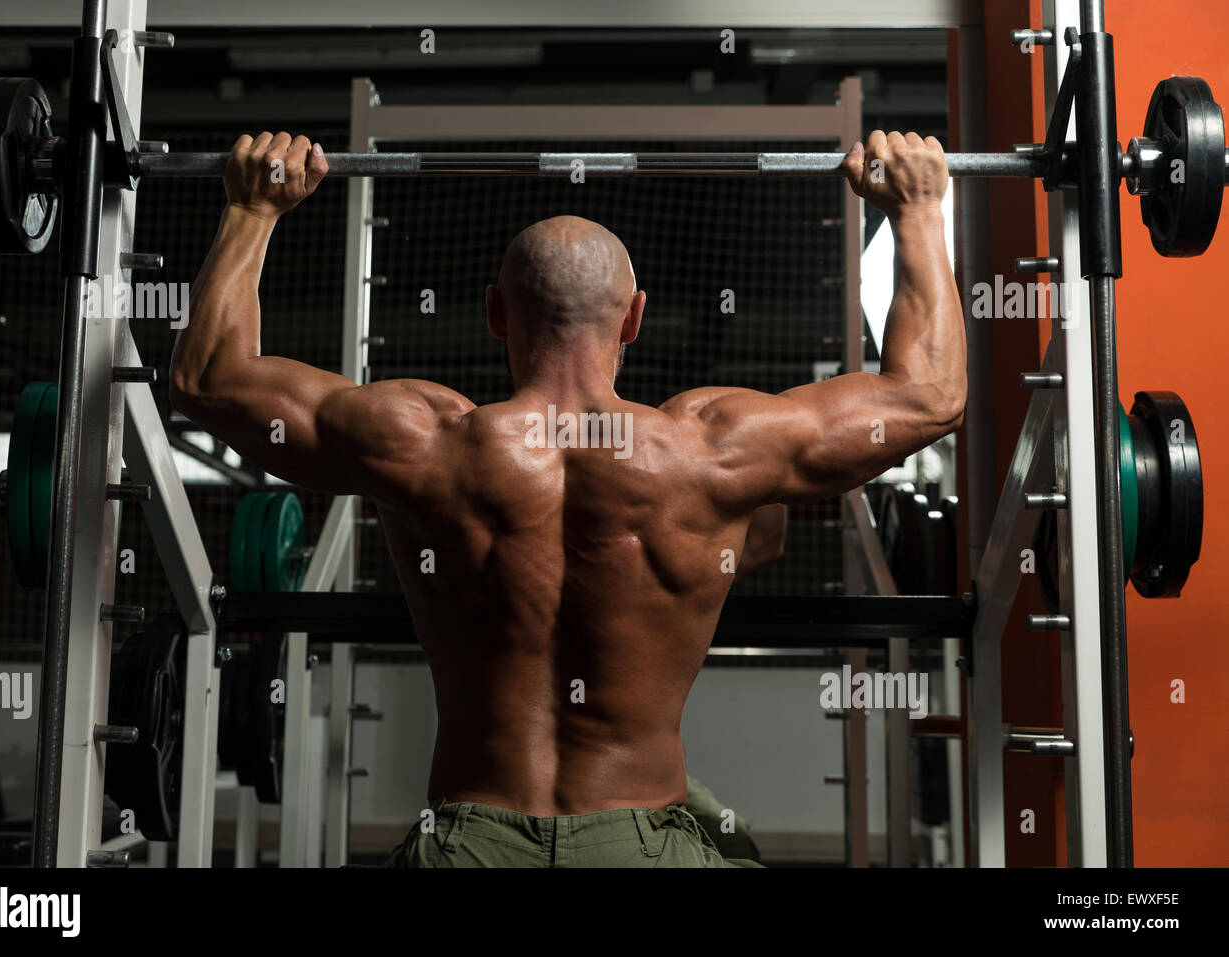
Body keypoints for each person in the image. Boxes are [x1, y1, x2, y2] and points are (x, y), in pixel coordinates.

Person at [170, 131, 964, 868]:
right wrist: (918, 211)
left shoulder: (422, 441)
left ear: (493, 314)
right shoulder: (712, 448)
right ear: (635, 318)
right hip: (642, 839)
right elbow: (929, 396)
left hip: (467, 837)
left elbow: (207, 379)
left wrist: (252, 208)